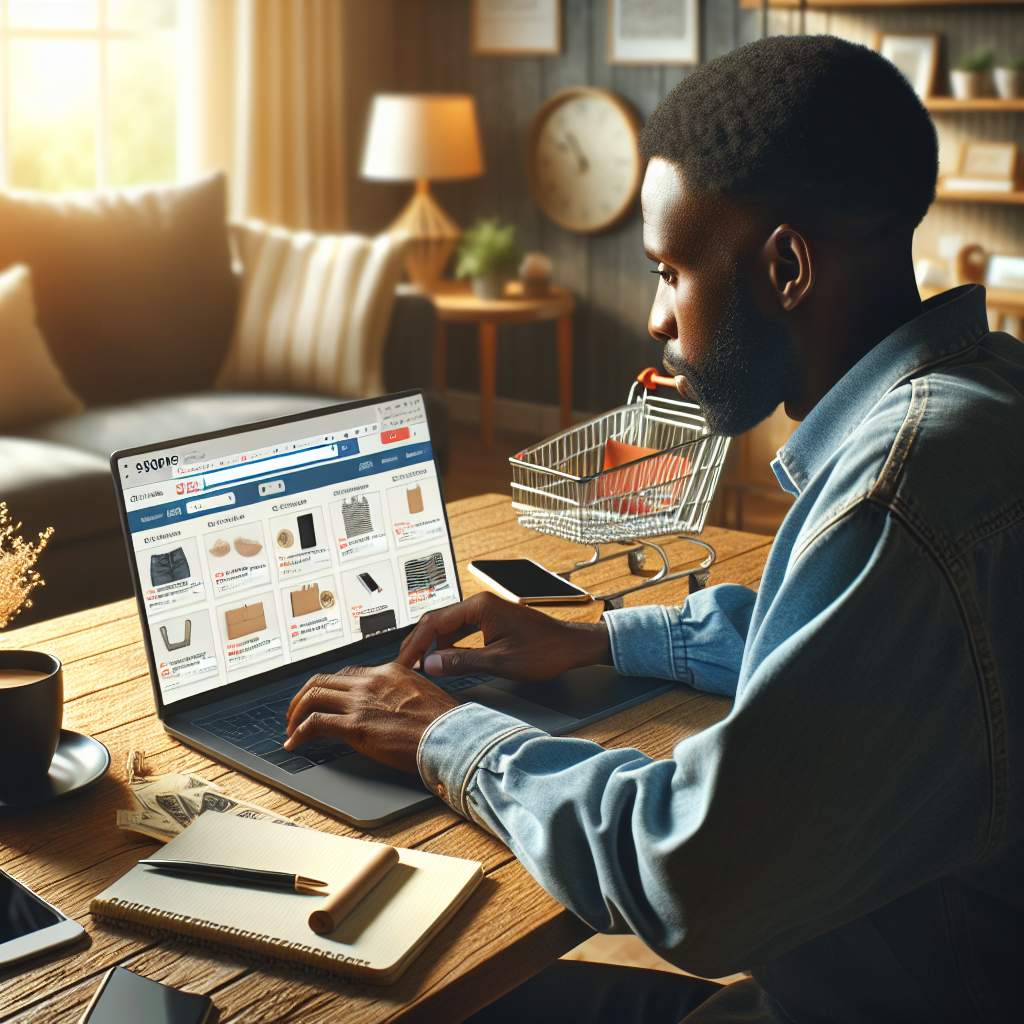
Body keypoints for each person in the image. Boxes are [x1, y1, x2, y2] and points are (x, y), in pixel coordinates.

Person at [285, 35, 1022, 1024]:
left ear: (786, 267)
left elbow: (686, 872)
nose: (654, 318)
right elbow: (855, 646)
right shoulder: (982, 396)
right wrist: (601, 636)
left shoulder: (894, 494)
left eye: (669, 270)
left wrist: (444, 732)